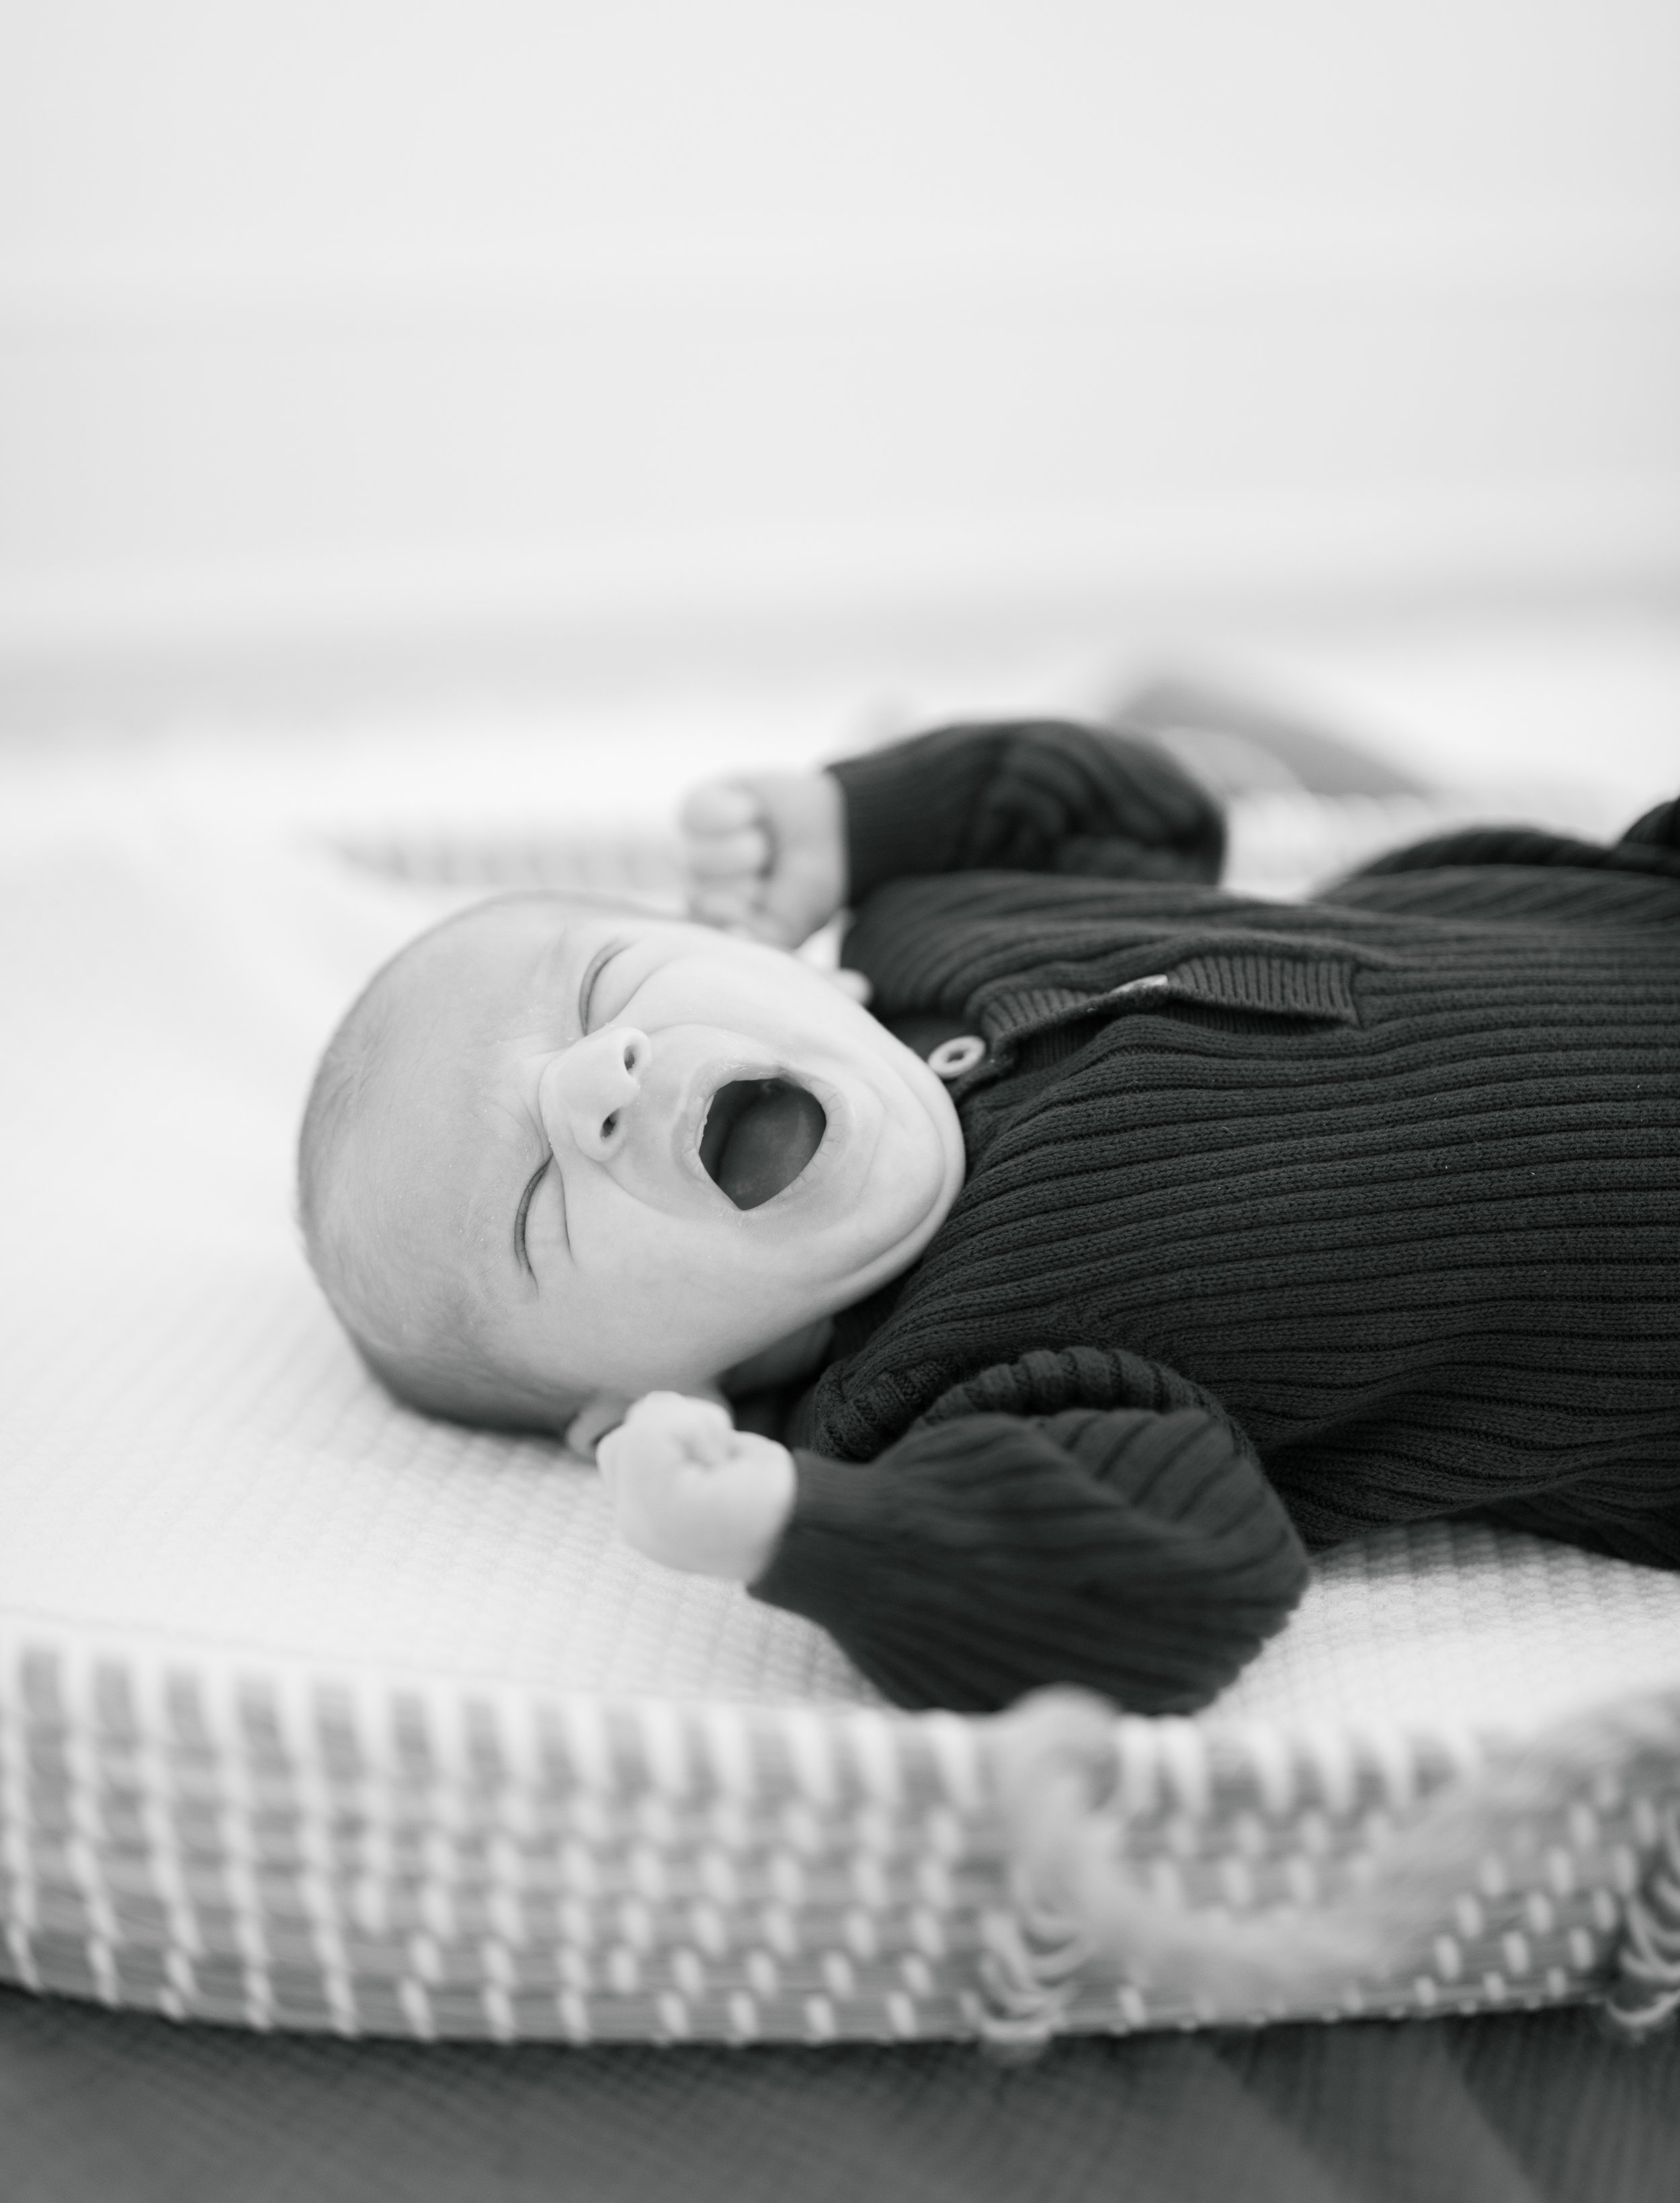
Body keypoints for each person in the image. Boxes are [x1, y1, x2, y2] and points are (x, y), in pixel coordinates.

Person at [299, 720, 1680, 1714]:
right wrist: (806, 1531)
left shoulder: (935, 925)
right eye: (542, 1204)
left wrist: (863, 820)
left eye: (604, 990)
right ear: (640, 1403)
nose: (595, 1087)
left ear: (768, 964)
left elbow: (1137, 809)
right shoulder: (944, 1406)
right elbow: (1176, 1581)